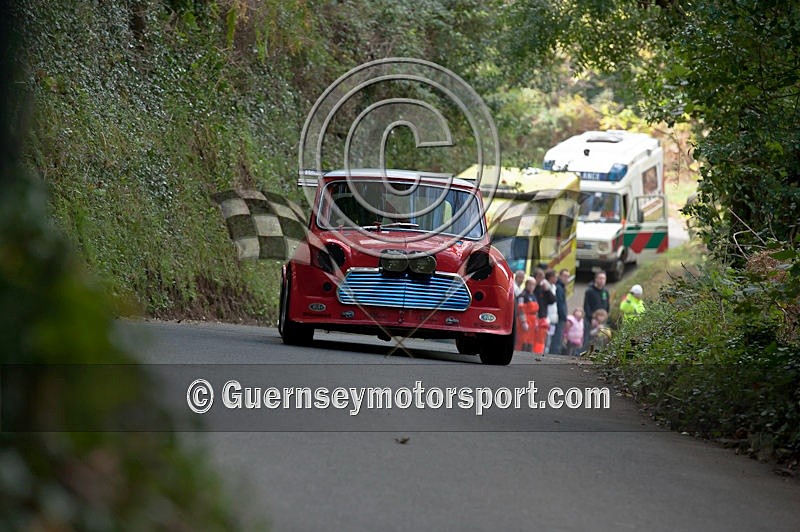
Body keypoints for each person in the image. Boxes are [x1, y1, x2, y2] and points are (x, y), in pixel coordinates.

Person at [582, 271, 609, 350]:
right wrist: (592, 319)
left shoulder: (605, 292)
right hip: (591, 321)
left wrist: (605, 318)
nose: (602, 280)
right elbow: (586, 306)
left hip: (602, 321)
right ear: (596, 279)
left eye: (604, 278)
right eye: (600, 278)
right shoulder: (589, 291)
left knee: (600, 342)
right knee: (587, 341)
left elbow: (607, 306)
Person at [532, 268, 555, 354]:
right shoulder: (532, 288)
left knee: (541, 341)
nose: (541, 279)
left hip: (542, 318)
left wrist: (548, 290)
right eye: (539, 277)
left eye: (543, 277)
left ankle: (538, 354)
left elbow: (552, 300)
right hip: (533, 318)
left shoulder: (543, 288)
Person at [515, 277, 538, 352]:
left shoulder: (534, 296)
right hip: (525, 320)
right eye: (530, 284)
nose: (531, 286)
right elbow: (520, 309)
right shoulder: (522, 295)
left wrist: (536, 321)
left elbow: (536, 310)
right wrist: (523, 322)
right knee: (523, 340)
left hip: (533, 321)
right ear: (526, 284)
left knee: (530, 341)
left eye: (533, 285)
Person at [549, 268, 569, 354]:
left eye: (568, 276)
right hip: (559, 317)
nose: (566, 278)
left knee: (558, 340)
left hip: (560, 317)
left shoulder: (561, 287)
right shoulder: (559, 287)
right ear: (560, 276)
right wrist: (564, 317)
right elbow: (560, 304)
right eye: (564, 276)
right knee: (557, 340)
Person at [544, 270, 559, 354]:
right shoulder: (546, 286)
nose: (556, 279)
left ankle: (546, 352)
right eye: (555, 277)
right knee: (546, 338)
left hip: (553, 317)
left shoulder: (554, 287)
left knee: (550, 338)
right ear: (550, 277)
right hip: (548, 316)